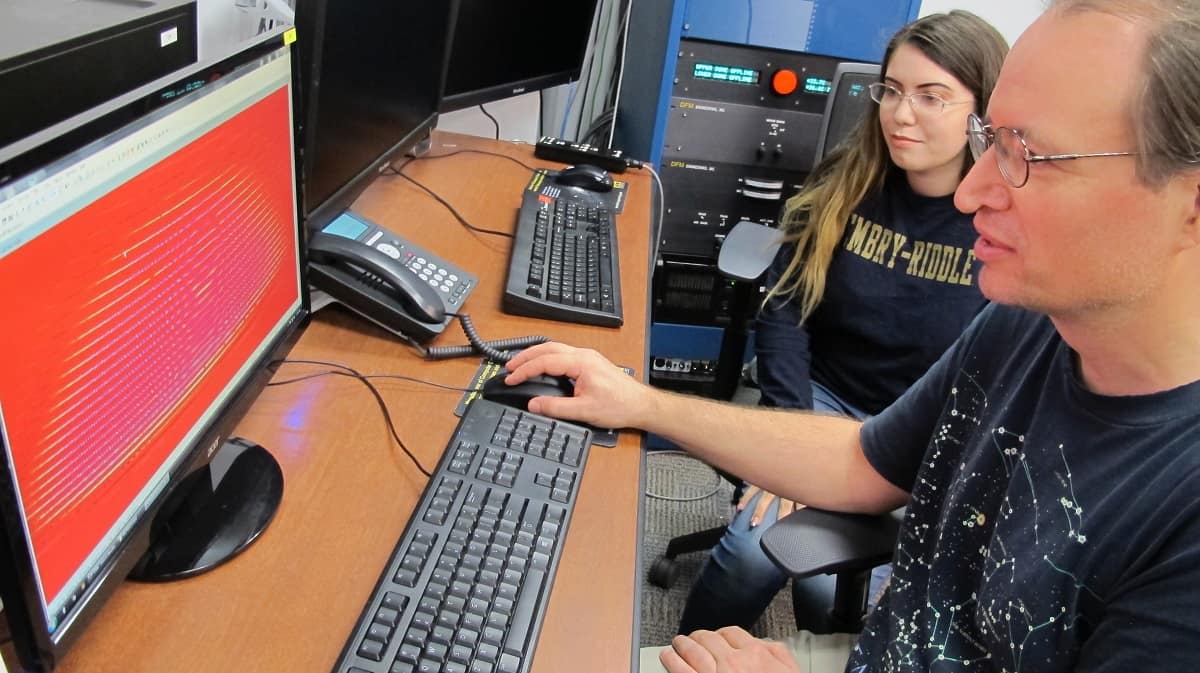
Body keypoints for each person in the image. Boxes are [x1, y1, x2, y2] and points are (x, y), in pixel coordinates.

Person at [504, 0, 1200, 671]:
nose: (970, 193)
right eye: (994, 139)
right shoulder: (1026, 323)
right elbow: (861, 461)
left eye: (1032, 154)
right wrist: (641, 402)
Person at [678, 10, 1008, 635]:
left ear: (982, 114)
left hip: (923, 436)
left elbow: (994, 381)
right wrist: (792, 430)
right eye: (892, 90)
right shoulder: (848, 178)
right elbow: (786, 308)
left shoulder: (1002, 225)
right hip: (821, 403)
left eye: (931, 97)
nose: (900, 114)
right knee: (751, 554)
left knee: (835, 604)